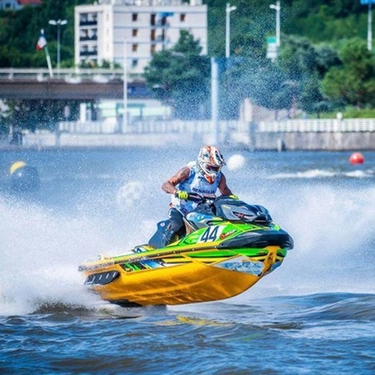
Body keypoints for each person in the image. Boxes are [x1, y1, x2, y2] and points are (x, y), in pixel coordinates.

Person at [159, 145, 238, 246]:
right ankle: (161, 252)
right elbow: (166, 184)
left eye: (217, 168)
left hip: (202, 211)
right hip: (180, 209)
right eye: (211, 168)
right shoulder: (188, 171)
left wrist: (236, 201)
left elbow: (226, 192)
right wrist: (177, 192)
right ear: (202, 163)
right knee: (176, 227)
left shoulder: (220, 177)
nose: (214, 171)